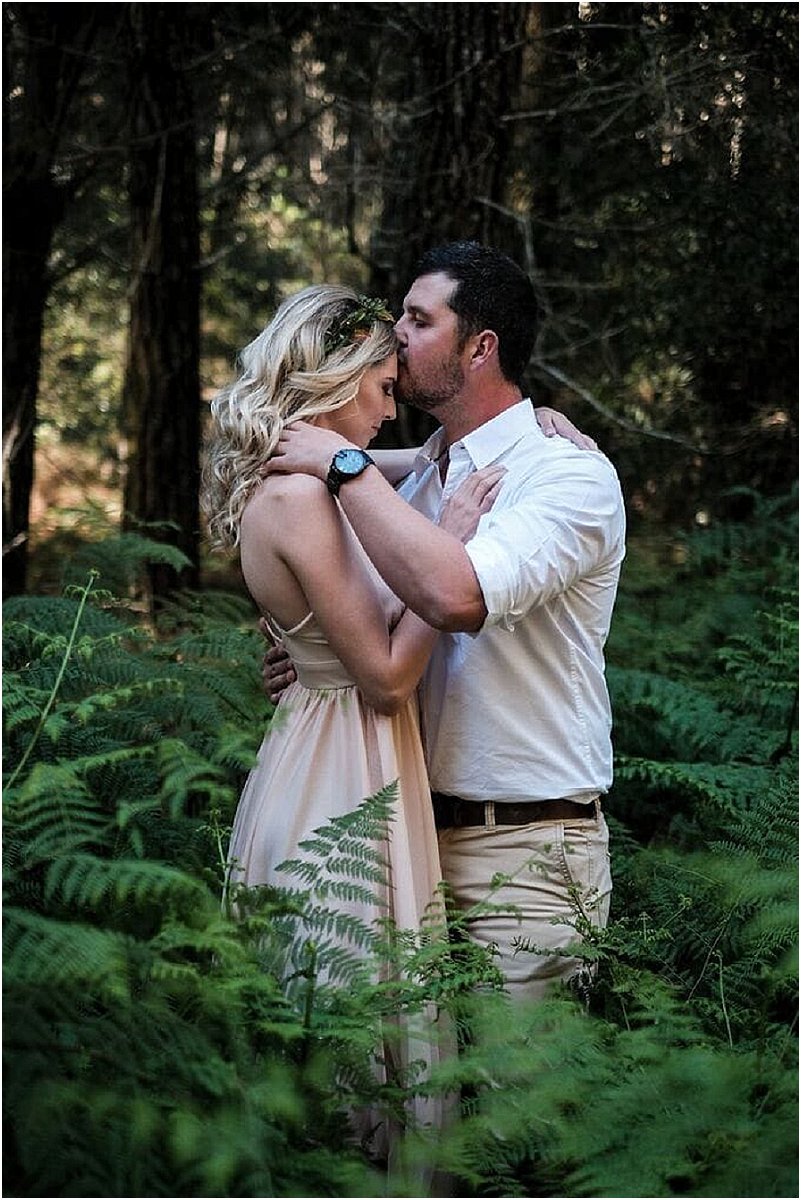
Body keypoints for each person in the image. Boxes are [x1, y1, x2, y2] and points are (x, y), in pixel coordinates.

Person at [263, 241, 626, 1005]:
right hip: (399, 839)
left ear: (480, 348)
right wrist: (314, 653)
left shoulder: (565, 477)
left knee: (515, 1083)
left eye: (418, 319)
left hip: (524, 854)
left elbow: (454, 597)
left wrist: (343, 464)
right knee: (411, 1077)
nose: (395, 332)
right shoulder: (424, 473)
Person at [200, 283, 509, 1164]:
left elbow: (419, 455)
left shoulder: (320, 478)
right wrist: (451, 547)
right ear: (332, 385)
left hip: (332, 746)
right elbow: (383, 678)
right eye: (378, 387)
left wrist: (529, 427)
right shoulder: (301, 499)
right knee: (351, 1038)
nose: (388, 407)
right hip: (340, 775)